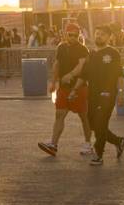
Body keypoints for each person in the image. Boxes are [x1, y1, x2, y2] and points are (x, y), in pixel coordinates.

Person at [64, 25, 124, 166]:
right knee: (94, 124)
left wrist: (121, 93)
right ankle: (118, 141)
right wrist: (74, 90)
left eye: (102, 34)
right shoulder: (91, 54)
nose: (98, 36)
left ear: (109, 37)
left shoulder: (113, 53)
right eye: (97, 33)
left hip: (107, 94)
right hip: (93, 95)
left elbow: (120, 76)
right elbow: (84, 75)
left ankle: (98, 155)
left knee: (100, 123)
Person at [38, 23, 93, 157]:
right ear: (65, 34)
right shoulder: (61, 47)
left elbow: (81, 66)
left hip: (79, 87)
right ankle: (53, 144)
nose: (73, 37)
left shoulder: (83, 49)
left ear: (79, 35)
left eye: (75, 35)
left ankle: (88, 144)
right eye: (70, 35)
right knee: (59, 114)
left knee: (84, 117)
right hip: (63, 88)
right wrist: (53, 82)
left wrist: (71, 75)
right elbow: (57, 64)